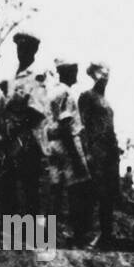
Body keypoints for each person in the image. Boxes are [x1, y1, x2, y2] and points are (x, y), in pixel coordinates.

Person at [0, 30, 50, 220]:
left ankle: (32, 230)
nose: (22, 51)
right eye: (20, 47)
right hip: (11, 137)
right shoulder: (13, 79)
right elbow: (5, 108)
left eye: (27, 48)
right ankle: (10, 225)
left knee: (29, 184)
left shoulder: (37, 77)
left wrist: (17, 128)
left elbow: (36, 111)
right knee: (8, 179)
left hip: (28, 138)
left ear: (34, 51)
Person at [45, 59, 91, 243]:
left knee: (56, 188)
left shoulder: (53, 91)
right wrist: (76, 158)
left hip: (52, 143)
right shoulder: (65, 92)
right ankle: (78, 234)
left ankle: (50, 233)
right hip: (67, 143)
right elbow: (66, 124)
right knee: (78, 188)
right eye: (75, 70)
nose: (76, 74)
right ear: (68, 72)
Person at [77, 62, 120, 248]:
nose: (105, 77)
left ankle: (106, 234)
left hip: (110, 150)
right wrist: (87, 151)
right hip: (95, 149)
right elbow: (82, 125)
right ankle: (85, 234)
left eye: (107, 74)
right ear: (93, 75)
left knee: (109, 194)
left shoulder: (107, 102)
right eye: (101, 73)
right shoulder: (87, 96)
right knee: (93, 191)